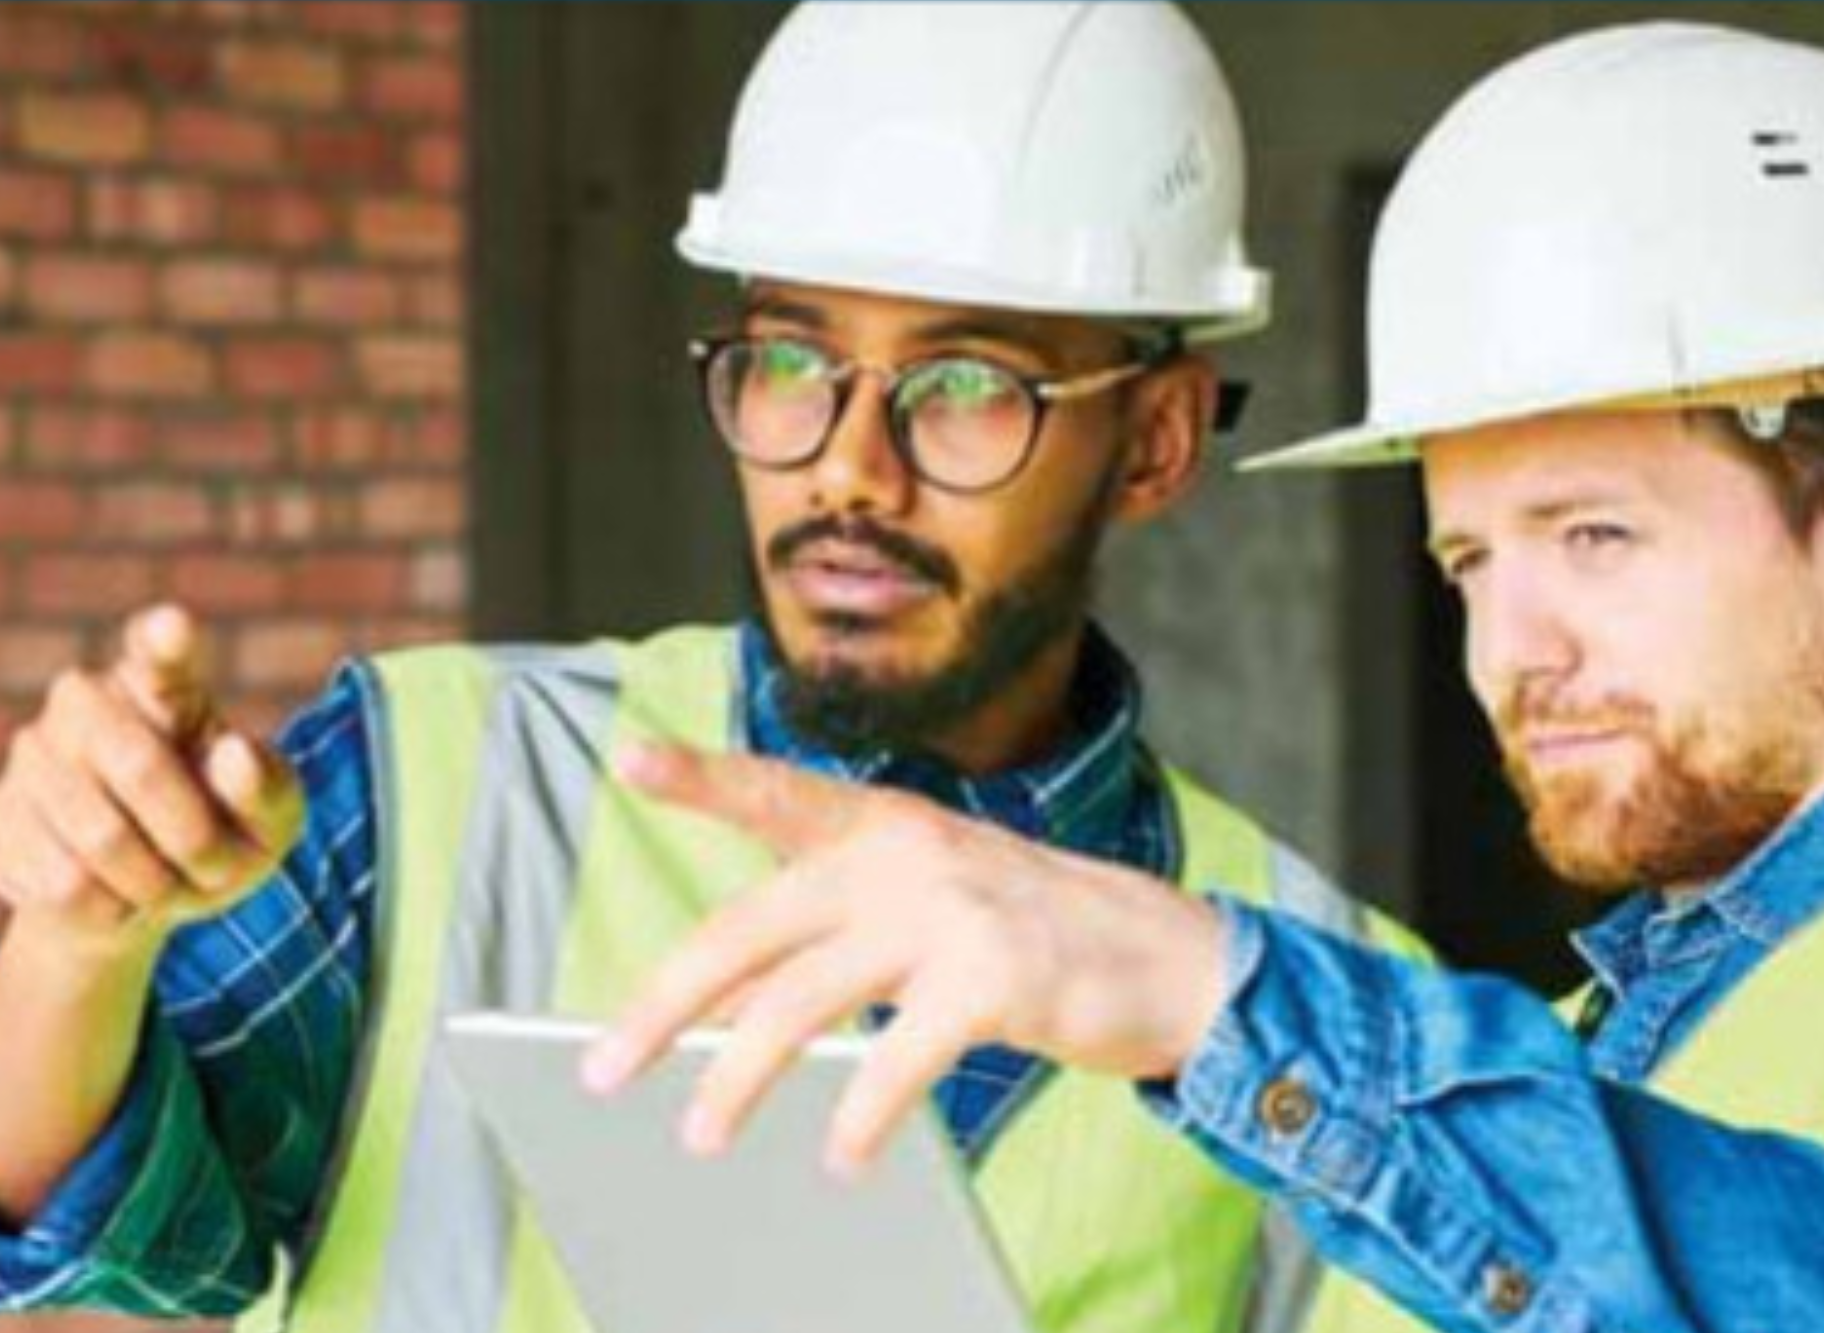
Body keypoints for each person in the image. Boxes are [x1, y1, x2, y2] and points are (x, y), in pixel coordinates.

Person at [0, 5, 1422, 1332]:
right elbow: (111, 1257)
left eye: (971, 386)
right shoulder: (441, 776)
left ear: (1160, 440)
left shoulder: (1328, 993)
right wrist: (75, 947)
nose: (851, 472)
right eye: (795, 365)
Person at [585, 23, 1824, 1333]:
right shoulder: (1573, 1060)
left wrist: (1200, 989)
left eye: (1594, 536)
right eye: (1470, 563)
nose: (1513, 652)